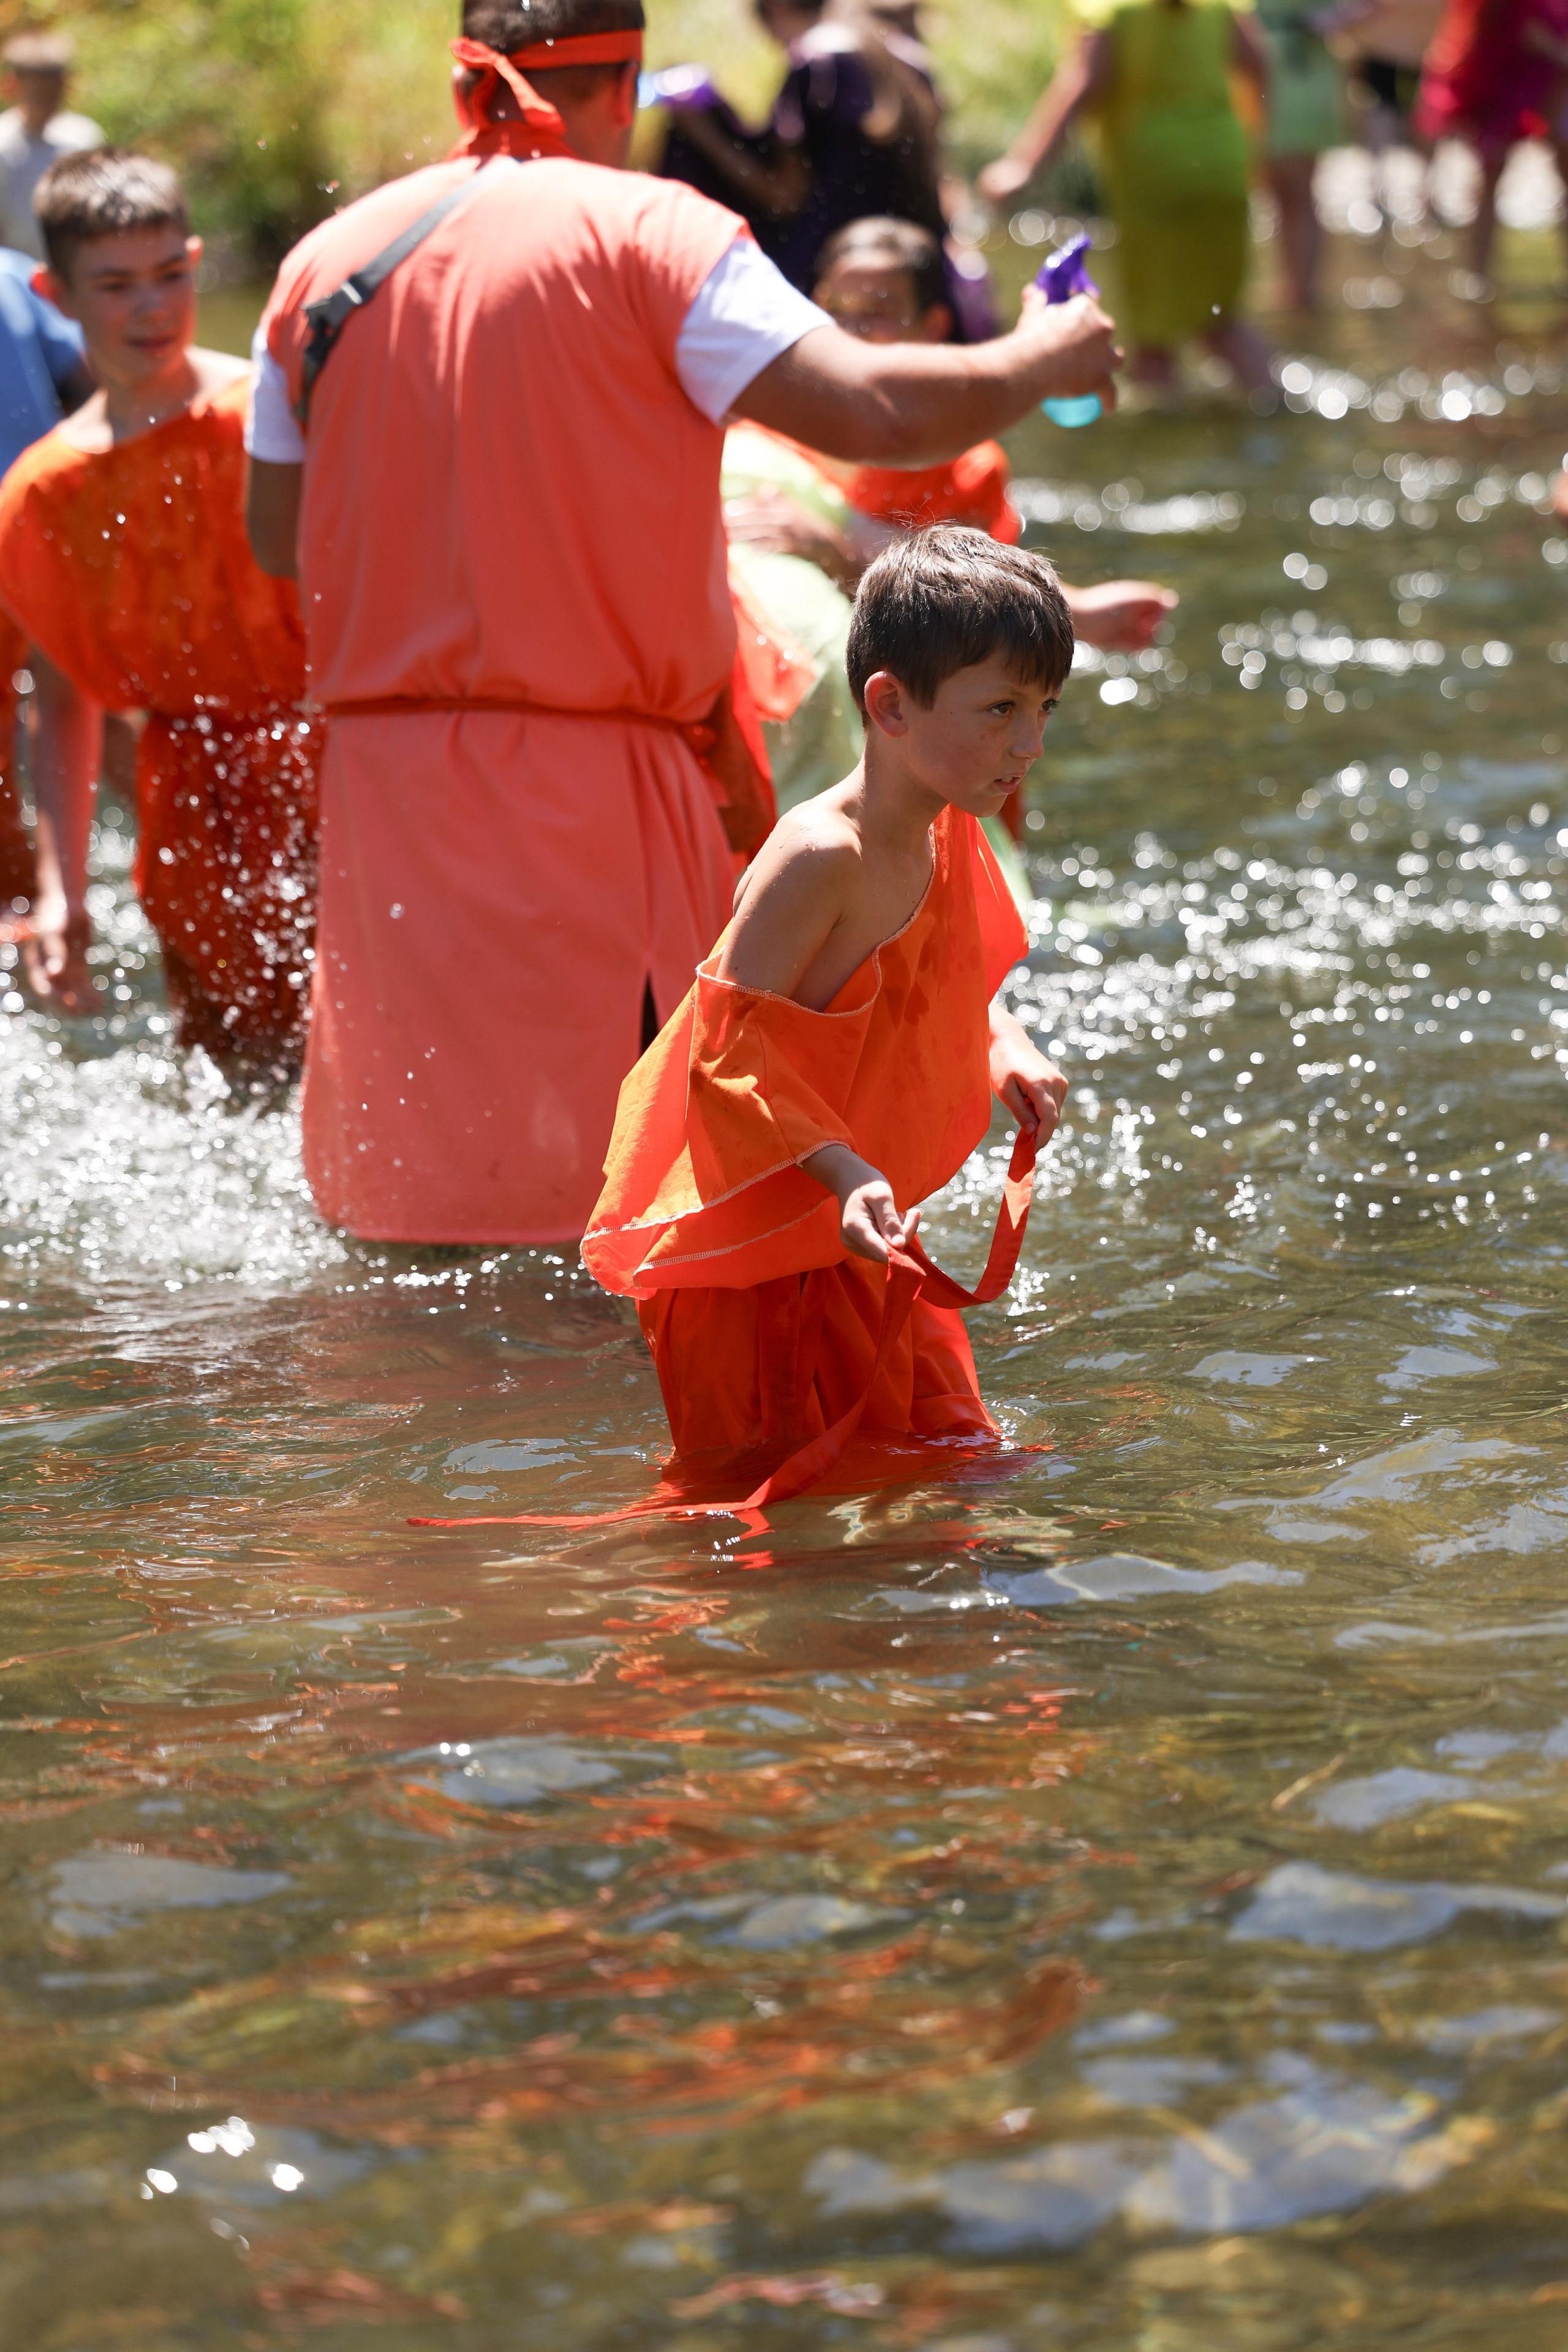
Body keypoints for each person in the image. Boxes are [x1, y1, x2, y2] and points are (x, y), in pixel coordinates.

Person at [244, 0, 1118, 1248]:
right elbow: (871, 411)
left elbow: (279, 541)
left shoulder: (322, 265)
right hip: (596, 790)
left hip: (386, 800)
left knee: (408, 1226)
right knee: (640, 1216)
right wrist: (1040, 356)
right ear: (626, 85)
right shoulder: (658, 235)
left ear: (465, 85)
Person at [582, 527, 1068, 1463]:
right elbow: (726, 1050)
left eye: (1045, 707)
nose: (1032, 743)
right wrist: (845, 1174)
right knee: (764, 1517)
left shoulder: (945, 820)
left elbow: (939, 973)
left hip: (860, 1235)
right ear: (890, 705)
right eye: (1002, 708)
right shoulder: (821, 855)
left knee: (955, 1471)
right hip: (756, 1266)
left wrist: (1002, 1042)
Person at [0, 149, 319, 1083]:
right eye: (116, 286)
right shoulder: (43, 494)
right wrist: (63, 892)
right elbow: (62, 701)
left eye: (171, 275)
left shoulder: (273, 415)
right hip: (188, 809)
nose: (152, 307)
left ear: (197, 261)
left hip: (343, 767)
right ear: (57, 293)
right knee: (241, 1077)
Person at [722, 216, 1176, 817]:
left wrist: (836, 550)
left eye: (880, 309)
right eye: (837, 308)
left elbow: (973, 613)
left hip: (949, 758)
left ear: (933, 327)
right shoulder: (767, 439)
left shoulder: (965, 466)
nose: (854, 328)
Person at [979, 0, 1274, 395]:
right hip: (1225, 165)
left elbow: (1083, 85)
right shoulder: (1217, 5)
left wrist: (1023, 164)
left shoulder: (1109, 9)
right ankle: (1274, 403)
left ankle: (1157, 420)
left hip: (1155, 178)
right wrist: (1253, 141)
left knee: (1153, 336)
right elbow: (1259, 65)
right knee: (1220, 317)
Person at [656, 0, 948, 297]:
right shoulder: (892, 49)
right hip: (913, 263)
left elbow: (785, 197)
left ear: (777, 8)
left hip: (839, 269)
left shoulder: (815, 63)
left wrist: (700, 130)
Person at [0, 239, 91, 933]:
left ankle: (29, 909)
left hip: (38, 529)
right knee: (87, 700)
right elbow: (88, 379)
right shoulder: (11, 276)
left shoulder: (13, 277)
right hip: (46, 528)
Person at [1414, 0, 1568, 287]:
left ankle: (1478, 275)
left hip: (1549, 83)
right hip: (1505, 83)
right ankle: (1477, 275)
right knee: (1489, 180)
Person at [0, 32, 102, 261]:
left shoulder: (83, 138)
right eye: (37, 93)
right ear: (13, 85)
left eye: (50, 93)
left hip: (71, 270)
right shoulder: (3, 144)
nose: (45, 101)